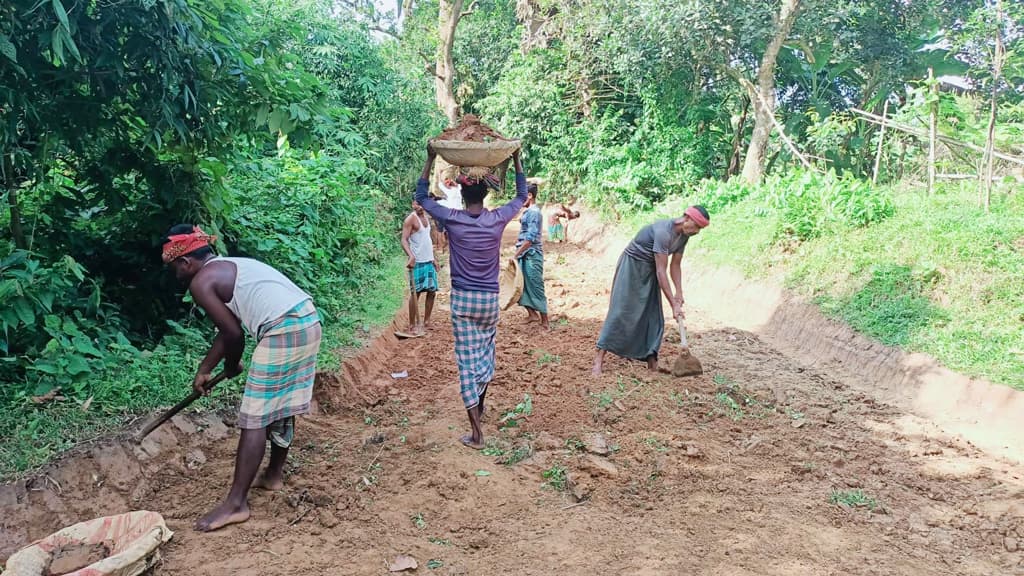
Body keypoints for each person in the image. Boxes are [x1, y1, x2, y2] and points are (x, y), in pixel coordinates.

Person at [161, 225, 321, 532]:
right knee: (282, 403)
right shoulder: (229, 266)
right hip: (307, 320)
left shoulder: (201, 281)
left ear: (185, 263)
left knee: (255, 417)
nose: (175, 275)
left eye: (173, 269)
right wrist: (206, 369)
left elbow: (233, 334)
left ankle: (236, 503)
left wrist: (232, 364)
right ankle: (273, 475)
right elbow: (229, 329)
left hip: (283, 328)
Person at [416, 145, 528, 450]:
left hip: (464, 301)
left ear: (463, 197)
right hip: (490, 301)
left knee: (466, 363)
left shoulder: (453, 219)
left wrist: (429, 159)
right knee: (485, 356)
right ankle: (480, 406)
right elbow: (521, 196)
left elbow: (423, 198)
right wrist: (517, 160)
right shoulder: (497, 219)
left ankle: (477, 432)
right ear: (485, 196)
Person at [591, 207, 709, 375]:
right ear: (687, 218)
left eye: (700, 229)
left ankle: (651, 361)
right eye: (697, 226)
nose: (697, 231)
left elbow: (675, 265)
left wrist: (679, 293)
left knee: (653, 316)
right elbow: (662, 270)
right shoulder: (663, 232)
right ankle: (599, 358)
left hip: (651, 270)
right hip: (632, 266)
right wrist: (673, 305)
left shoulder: (684, 236)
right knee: (621, 311)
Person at [511, 183, 549, 329]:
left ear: (530, 196)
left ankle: (545, 320)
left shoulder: (534, 213)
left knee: (536, 285)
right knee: (522, 285)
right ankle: (532, 315)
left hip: (532, 254)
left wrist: (516, 254)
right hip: (526, 254)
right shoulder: (529, 211)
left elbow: (530, 238)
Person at [401, 200, 438, 335]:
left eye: (423, 203)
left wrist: (434, 258)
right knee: (416, 293)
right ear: (413, 204)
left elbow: (427, 239)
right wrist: (410, 256)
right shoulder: (410, 219)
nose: (421, 207)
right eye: (418, 204)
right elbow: (404, 239)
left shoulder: (426, 217)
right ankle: (412, 325)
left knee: (432, 291)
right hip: (417, 261)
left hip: (428, 260)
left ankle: (426, 321)